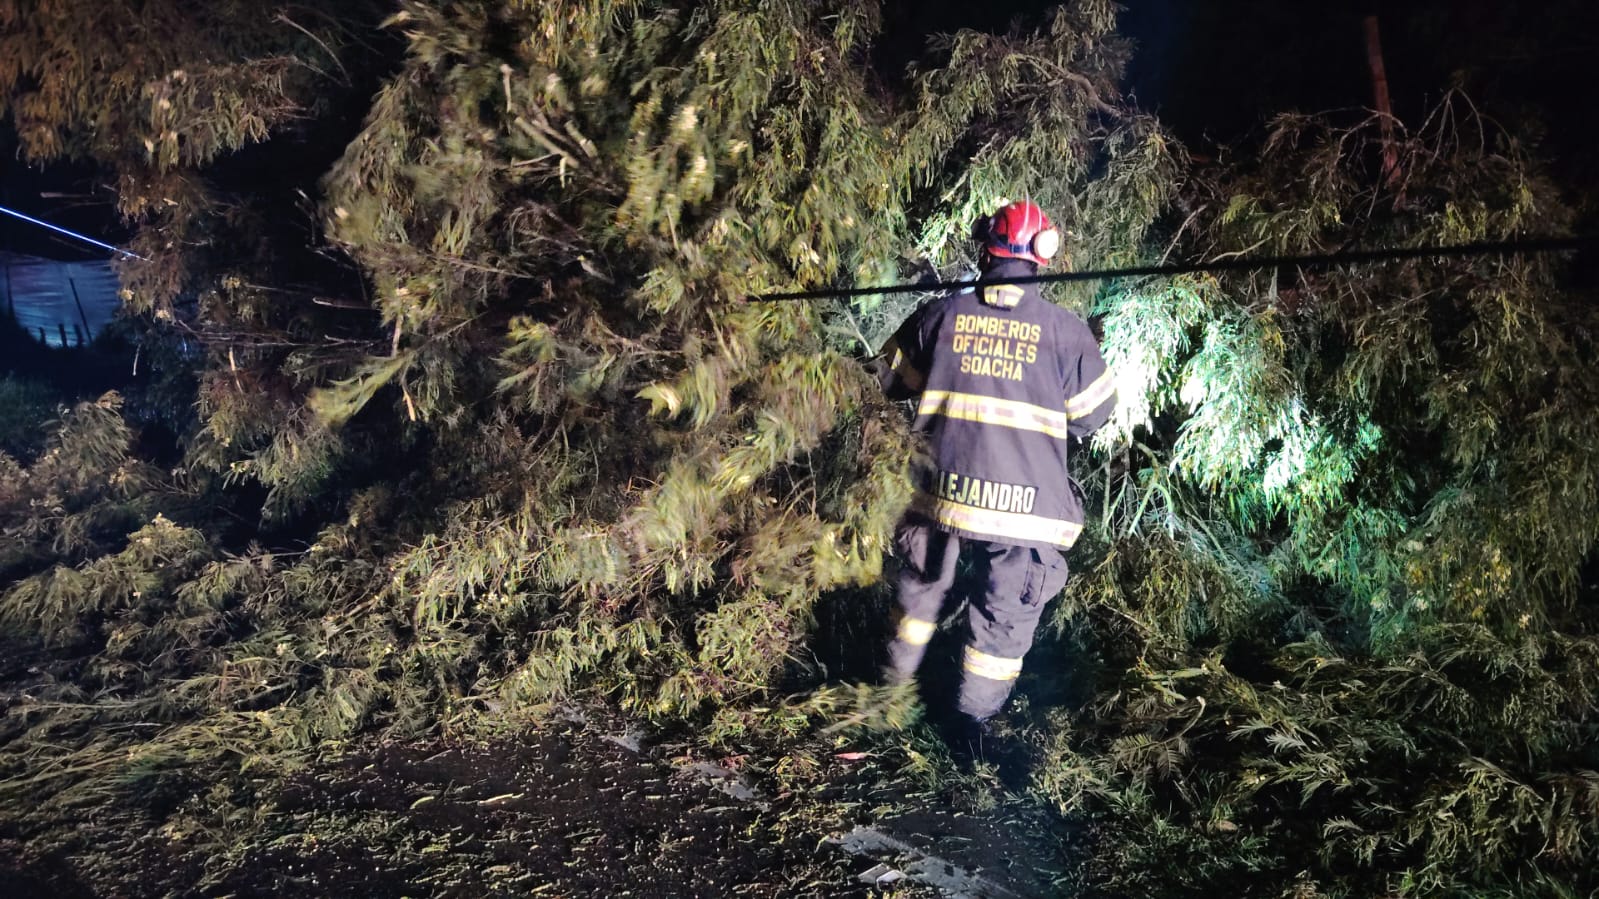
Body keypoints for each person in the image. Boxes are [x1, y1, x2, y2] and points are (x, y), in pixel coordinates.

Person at [876, 200, 1115, 749]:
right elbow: (1093, 416)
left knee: (918, 597)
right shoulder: (1066, 333)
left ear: (985, 248)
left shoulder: (941, 316)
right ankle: (970, 726)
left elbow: (885, 383)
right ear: (1043, 256)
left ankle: (890, 701)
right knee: (1004, 618)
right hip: (1027, 510)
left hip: (941, 496)